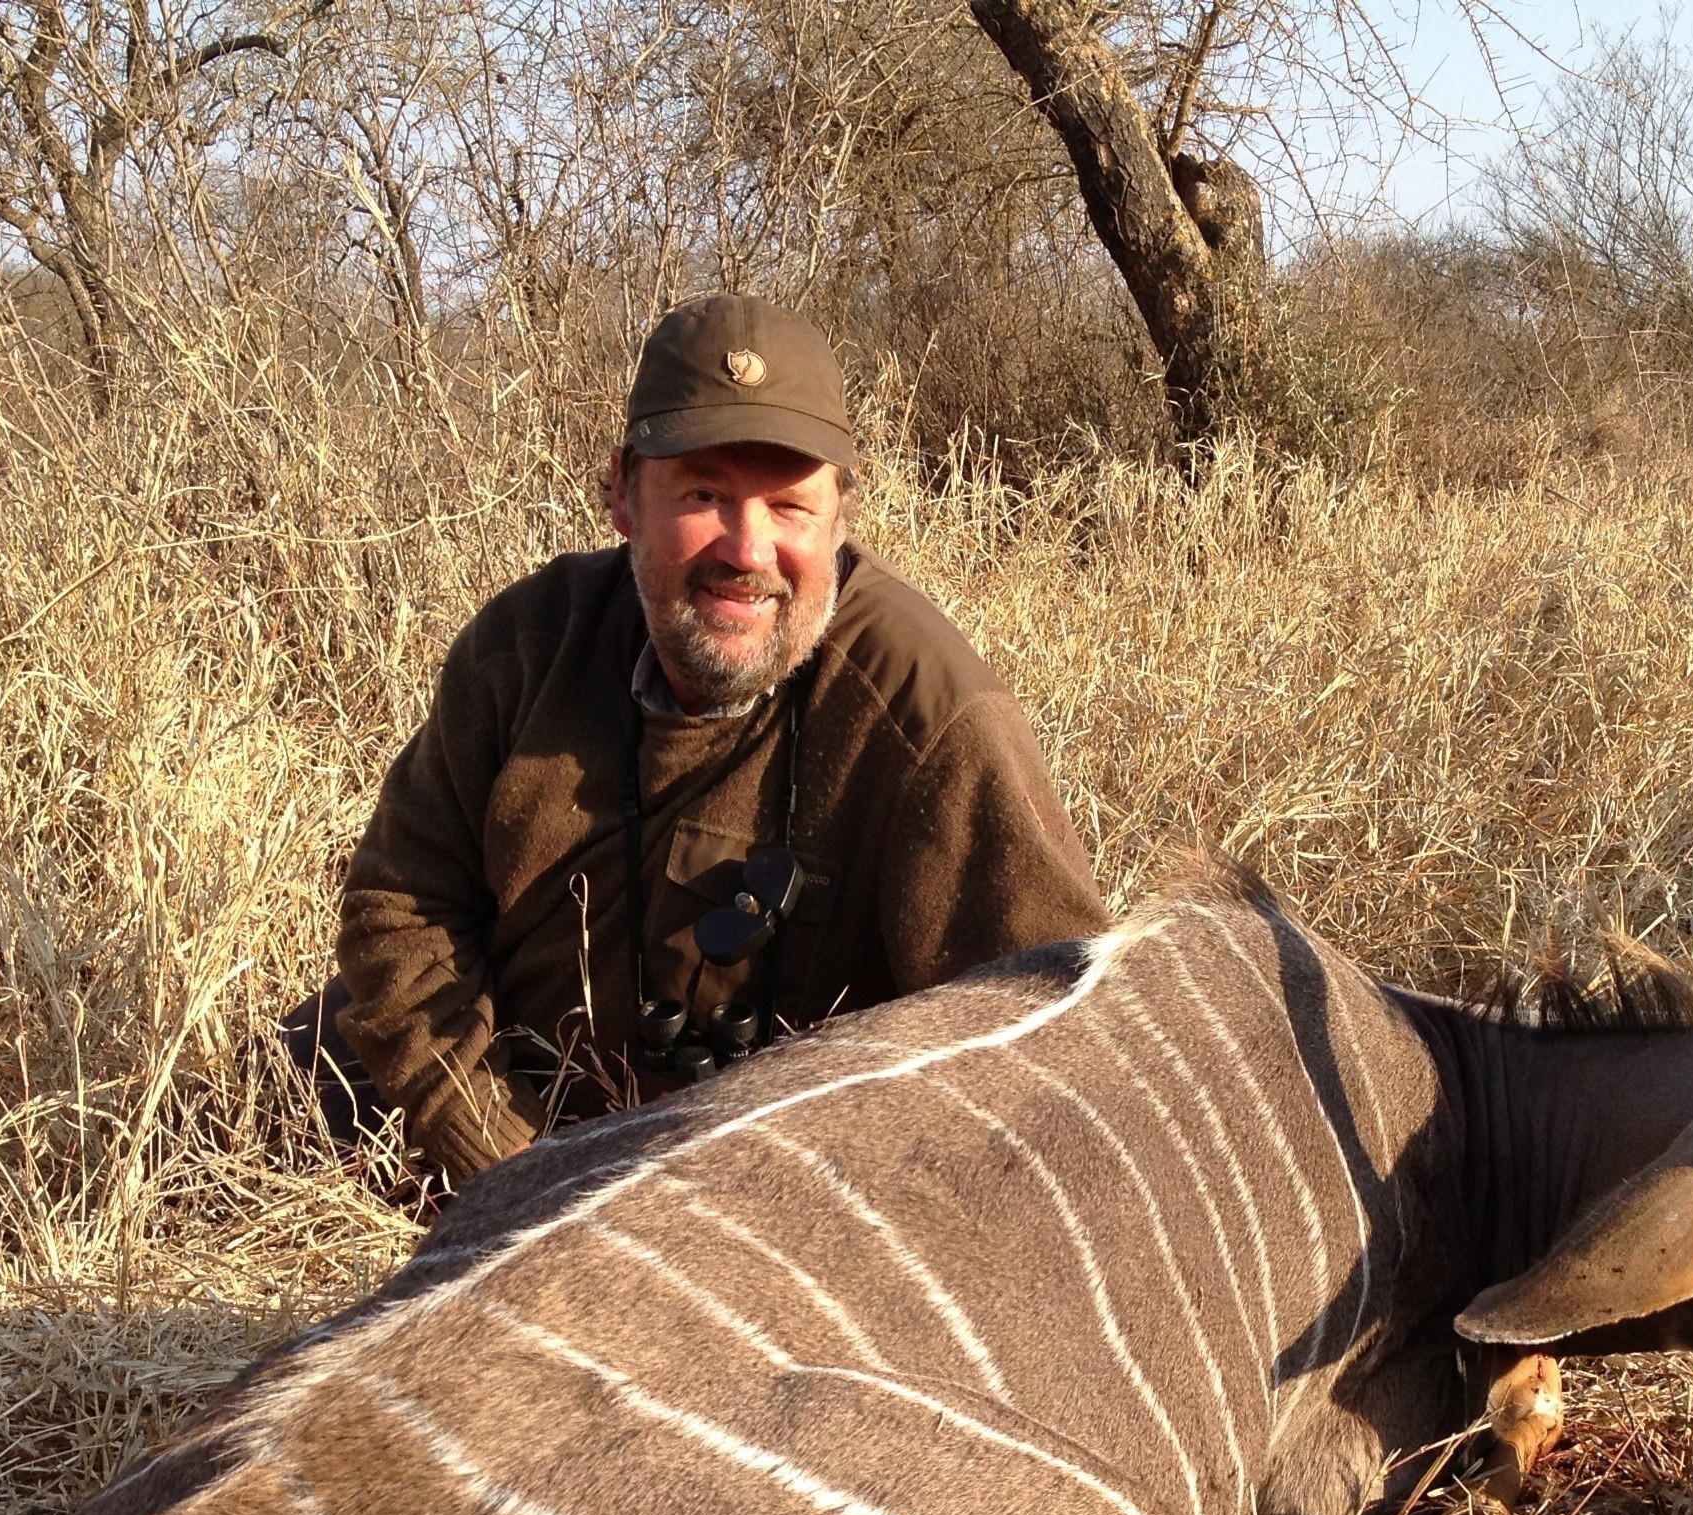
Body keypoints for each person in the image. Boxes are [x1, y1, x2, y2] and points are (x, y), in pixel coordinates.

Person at [285, 293, 1109, 1182]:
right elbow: (401, 908)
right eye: (705, 493)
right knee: (253, 1098)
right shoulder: (524, 648)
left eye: (790, 505)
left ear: (841, 519)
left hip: (757, 1203)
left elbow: (1052, 1040)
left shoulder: (927, 715)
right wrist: (504, 1164)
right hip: (492, 1144)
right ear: (621, 494)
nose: (747, 549)